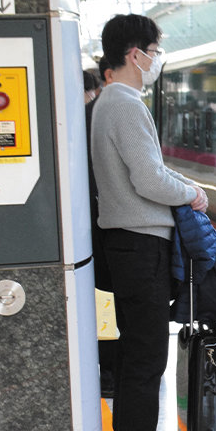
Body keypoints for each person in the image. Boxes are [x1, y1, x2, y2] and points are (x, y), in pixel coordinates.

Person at [92, 14, 207, 431]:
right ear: (135, 53)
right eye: (155, 50)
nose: (157, 58)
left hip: (126, 244)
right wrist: (191, 193)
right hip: (140, 246)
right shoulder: (125, 103)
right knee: (144, 355)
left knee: (137, 353)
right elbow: (148, 178)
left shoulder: (106, 102)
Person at [87, 57, 116, 399]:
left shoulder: (85, 116)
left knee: (102, 304)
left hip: (90, 226)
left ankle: (108, 369)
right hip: (110, 228)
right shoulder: (115, 111)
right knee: (109, 304)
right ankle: (111, 371)